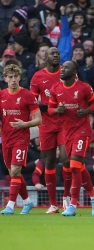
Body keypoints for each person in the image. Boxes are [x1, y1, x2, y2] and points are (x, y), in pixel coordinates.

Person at [48, 60, 94, 216]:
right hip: (67, 132)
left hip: (82, 130)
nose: (62, 70)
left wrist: (86, 111)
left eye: (66, 68)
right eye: (62, 67)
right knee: (79, 167)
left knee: (74, 166)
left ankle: (72, 205)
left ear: (74, 72)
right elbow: (50, 109)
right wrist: (57, 109)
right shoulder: (56, 89)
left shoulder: (83, 87)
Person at [30, 47, 70, 214]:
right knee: (49, 162)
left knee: (67, 159)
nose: (56, 55)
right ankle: (53, 204)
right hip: (46, 124)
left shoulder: (67, 73)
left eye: (57, 53)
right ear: (45, 57)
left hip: (65, 123)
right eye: (52, 53)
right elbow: (33, 104)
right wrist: (52, 107)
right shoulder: (38, 77)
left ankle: (67, 199)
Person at [0, 64, 42, 215]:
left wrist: (25, 124)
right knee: (14, 173)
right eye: (9, 77)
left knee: (16, 169)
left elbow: (39, 119)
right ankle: (27, 202)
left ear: (19, 77)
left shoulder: (27, 95)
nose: (12, 80)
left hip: (21, 139)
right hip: (6, 140)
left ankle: (10, 205)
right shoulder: (1, 96)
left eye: (15, 76)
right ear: (5, 79)